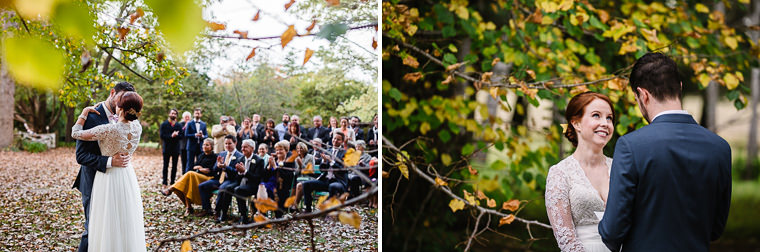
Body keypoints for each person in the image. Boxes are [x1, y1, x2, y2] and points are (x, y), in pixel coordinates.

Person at [599, 53, 731, 251]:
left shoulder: (631, 146)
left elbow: (612, 232)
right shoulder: (720, 147)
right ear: (679, 86)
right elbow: (716, 229)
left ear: (643, 95)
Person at [72, 91, 145, 251]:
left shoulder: (109, 130)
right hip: (127, 176)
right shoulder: (138, 128)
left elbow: (75, 133)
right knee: (126, 221)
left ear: (120, 108)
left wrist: (84, 112)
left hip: (108, 178)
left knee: (105, 222)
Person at [545, 91, 615, 252]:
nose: (605, 123)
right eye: (596, 115)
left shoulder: (621, 168)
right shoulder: (560, 173)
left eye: (609, 118)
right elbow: (566, 239)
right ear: (576, 123)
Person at [161, 138, 217, 216]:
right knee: (185, 183)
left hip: (208, 178)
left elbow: (210, 171)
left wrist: (200, 168)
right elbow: (195, 167)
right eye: (204, 144)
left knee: (189, 174)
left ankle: (171, 189)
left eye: (207, 145)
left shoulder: (214, 157)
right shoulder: (201, 156)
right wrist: (201, 169)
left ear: (212, 147)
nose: (204, 146)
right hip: (197, 177)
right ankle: (188, 207)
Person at [300, 132, 348, 212]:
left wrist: (331, 161)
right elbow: (322, 169)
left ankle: (327, 210)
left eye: (338, 139)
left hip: (339, 181)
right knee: (306, 184)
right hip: (326, 179)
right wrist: (325, 162)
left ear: (342, 141)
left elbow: (342, 169)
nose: (335, 141)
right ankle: (308, 210)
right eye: (334, 138)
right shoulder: (326, 151)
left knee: (333, 186)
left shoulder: (345, 153)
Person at [232, 139, 266, 224]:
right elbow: (236, 177)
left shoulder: (259, 160)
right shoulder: (240, 158)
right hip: (242, 183)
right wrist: (239, 172)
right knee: (228, 188)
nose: (242, 149)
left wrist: (245, 171)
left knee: (238, 190)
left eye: (245, 147)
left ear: (252, 148)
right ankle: (224, 213)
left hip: (255, 185)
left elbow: (257, 178)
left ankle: (243, 216)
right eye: (242, 147)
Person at [213, 135, 245, 223]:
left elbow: (236, 172)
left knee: (223, 188)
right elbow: (214, 169)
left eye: (229, 143)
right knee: (203, 186)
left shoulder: (240, 156)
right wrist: (219, 166)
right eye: (226, 143)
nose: (227, 146)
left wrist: (226, 167)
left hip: (232, 179)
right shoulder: (222, 153)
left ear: (235, 143)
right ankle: (206, 209)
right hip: (220, 178)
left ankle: (218, 212)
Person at [160, 109, 182, 187]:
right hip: (167, 148)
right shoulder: (164, 124)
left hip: (176, 149)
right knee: (165, 166)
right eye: (172, 113)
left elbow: (181, 136)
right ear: (169, 114)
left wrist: (176, 136)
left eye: (175, 114)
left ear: (176, 115)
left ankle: (172, 182)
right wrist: (171, 136)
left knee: (174, 166)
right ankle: (165, 182)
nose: (173, 115)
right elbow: (162, 136)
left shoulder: (179, 125)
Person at [185, 108, 208, 174]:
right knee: (190, 164)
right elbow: (186, 135)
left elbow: (206, 135)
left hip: (200, 147)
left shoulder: (204, 124)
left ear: (201, 115)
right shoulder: (189, 123)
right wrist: (195, 135)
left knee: (200, 164)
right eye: (196, 113)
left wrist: (202, 136)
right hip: (191, 147)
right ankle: (187, 178)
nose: (197, 114)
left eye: (198, 113)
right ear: (194, 114)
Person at [178, 111, 192, 176]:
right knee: (183, 162)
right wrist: (185, 127)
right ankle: (184, 174)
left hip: (191, 146)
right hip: (183, 146)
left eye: (188, 117)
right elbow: (180, 133)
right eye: (185, 117)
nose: (187, 118)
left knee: (190, 162)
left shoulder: (192, 124)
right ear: (183, 118)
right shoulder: (180, 124)